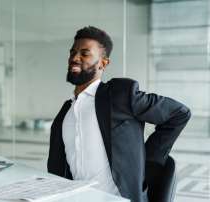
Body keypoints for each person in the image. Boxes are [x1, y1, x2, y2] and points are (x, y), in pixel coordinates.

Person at [47, 26, 191, 202]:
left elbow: (179, 113)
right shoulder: (66, 112)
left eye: (85, 53)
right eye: (73, 52)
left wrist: (147, 159)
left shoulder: (120, 94)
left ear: (103, 63)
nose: (74, 58)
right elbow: (57, 168)